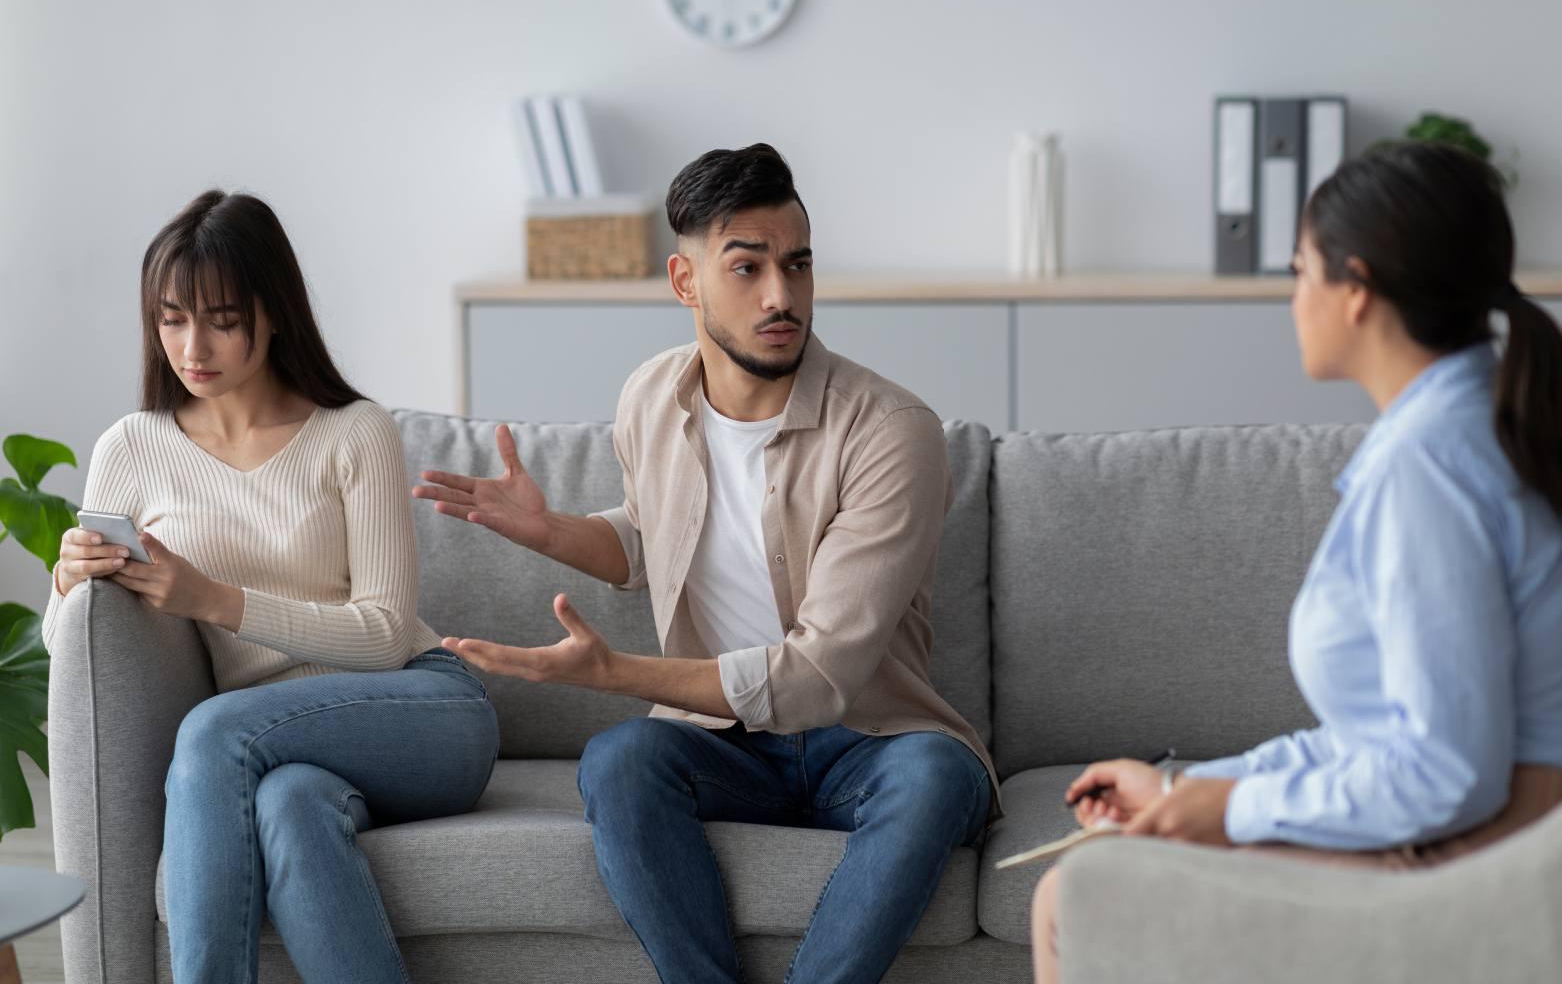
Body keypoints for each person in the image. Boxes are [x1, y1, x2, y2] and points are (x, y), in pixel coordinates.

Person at [415, 143, 998, 984]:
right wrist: (551, 531)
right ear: (685, 281)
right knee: (620, 761)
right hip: (726, 747)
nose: (780, 295)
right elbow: (654, 538)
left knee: (937, 775)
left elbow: (818, 678)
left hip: (870, 741)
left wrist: (616, 672)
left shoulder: (891, 432)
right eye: (748, 267)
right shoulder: (650, 396)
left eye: (797, 265)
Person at [1031, 142, 1562, 984]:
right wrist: (1190, 790)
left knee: (1079, 896)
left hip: (1485, 864)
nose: (1293, 297)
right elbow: (1378, 737)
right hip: (1485, 833)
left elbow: (1444, 773)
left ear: (1356, 289)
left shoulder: (1428, 469)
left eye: (1299, 270)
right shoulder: (1472, 424)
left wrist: (1236, 807)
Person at [45, 190, 499, 984]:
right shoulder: (132, 447)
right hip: (281, 751)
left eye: (222, 319)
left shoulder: (353, 431)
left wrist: (213, 599)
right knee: (288, 805)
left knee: (213, 732)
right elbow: (71, 650)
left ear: (274, 313)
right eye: (172, 318)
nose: (193, 346)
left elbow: (386, 634)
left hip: (422, 711)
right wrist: (67, 577)